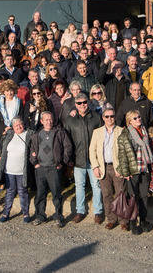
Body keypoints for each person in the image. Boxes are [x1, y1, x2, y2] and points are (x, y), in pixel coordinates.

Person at [63, 93, 103, 223]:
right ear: (75, 104)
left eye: (84, 102)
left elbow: (101, 138)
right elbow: (66, 139)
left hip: (93, 159)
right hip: (77, 158)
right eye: (79, 103)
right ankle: (80, 211)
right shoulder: (70, 120)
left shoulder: (96, 118)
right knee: (79, 186)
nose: (82, 105)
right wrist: (69, 158)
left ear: (88, 102)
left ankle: (98, 211)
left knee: (96, 185)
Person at [31, 111, 73, 226]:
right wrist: (35, 163)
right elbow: (32, 150)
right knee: (40, 194)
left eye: (50, 119)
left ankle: (58, 216)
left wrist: (62, 162)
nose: (49, 122)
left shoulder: (59, 132)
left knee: (56, 194)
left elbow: (68, 147)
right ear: (41, 121)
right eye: (46, 120)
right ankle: (40, 216)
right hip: (41, 169)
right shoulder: (37, 134)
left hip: (54, 168)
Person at [118, 109, 153, 235]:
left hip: (144, 168)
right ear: (129, 121)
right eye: (135, 118)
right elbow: (122, 155)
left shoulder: (144, 131)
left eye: (139, 117)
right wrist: (125, 172)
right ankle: (133, 223)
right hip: (133, 170)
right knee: (133, 197)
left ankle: (143, 220)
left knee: (144, 196)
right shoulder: (125, 134)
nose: (138, 119)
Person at [0, 118, 32, 222]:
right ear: (13, 127)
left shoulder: (28, 134)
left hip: (21, 171)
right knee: (10, 192)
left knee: (23, 192)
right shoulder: (9, 135)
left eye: (20, 124)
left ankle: (25, 213)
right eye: (16, 125)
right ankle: (6, 213)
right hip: (9, 171)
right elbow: (1, 147)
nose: (19, 127)